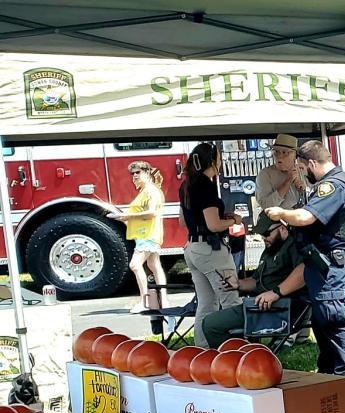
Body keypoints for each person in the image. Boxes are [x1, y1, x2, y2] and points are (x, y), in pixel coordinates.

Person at [264, 140, 345, 377]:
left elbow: (306, 217)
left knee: (334, 320)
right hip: (321, 266)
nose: (302, 174)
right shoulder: (333, 184)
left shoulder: (334, 186)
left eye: (302, 169)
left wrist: (281, 212)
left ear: (312, 163)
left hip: (331, 268)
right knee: (323, 322)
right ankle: (328, 375)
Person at [200, 217, 307, 350]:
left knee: (211, 324)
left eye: (267, 233)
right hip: (261, 304)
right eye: (261, 234)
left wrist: (276, 293)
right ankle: (247, 354)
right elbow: (256, 281)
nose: (263, 238)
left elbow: (303, 272)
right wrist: (238, 284)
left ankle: (239, 359)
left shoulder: (294, 245)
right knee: (213, 321)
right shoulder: (271, 248)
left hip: (279, 307)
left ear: (282, 228)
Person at [179, 142, 242, 348]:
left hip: (193, 247)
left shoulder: (187, 184)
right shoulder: (206, 185)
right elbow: (214, 225)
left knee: (206, 304)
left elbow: (183, 221)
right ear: (213, 160)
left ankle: (202, 350)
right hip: (211, 249)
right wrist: (234, 221)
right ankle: (239, 350)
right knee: (231, 300)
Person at [108, 161, 166, 313]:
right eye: (132, 174)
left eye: (138, 172)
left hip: (147, 234)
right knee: (154, 265)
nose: (134, 176)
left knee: (135, 265)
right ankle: (163, 300)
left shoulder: (150, 191)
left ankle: (144, 300)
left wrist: (126, 216)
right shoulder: (146, 191)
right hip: (146, 233)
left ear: (147, 173)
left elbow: (152, 212)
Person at [256, 133, 306, 210]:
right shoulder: (265, 174)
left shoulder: (303, 171)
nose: (279, 156)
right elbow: (266, 206)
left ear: (294, 155)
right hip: (275, 220)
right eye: (276, 152)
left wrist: (304, 191)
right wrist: (287, 182)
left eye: (285, 152)